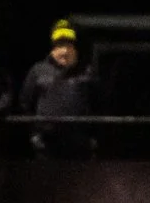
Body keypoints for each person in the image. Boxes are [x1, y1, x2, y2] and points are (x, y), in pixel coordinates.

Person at [18, 20, 98, 156]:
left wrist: (93, 137)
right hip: (47, 145)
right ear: (53, 49)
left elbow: (98, 105)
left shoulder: (87, 72)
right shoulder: (38, 71)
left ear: (75, 49)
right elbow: (25, 105)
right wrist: (34, 135)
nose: (65, 51)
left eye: (69, 46)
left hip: (80, 145)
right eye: (60, 46)